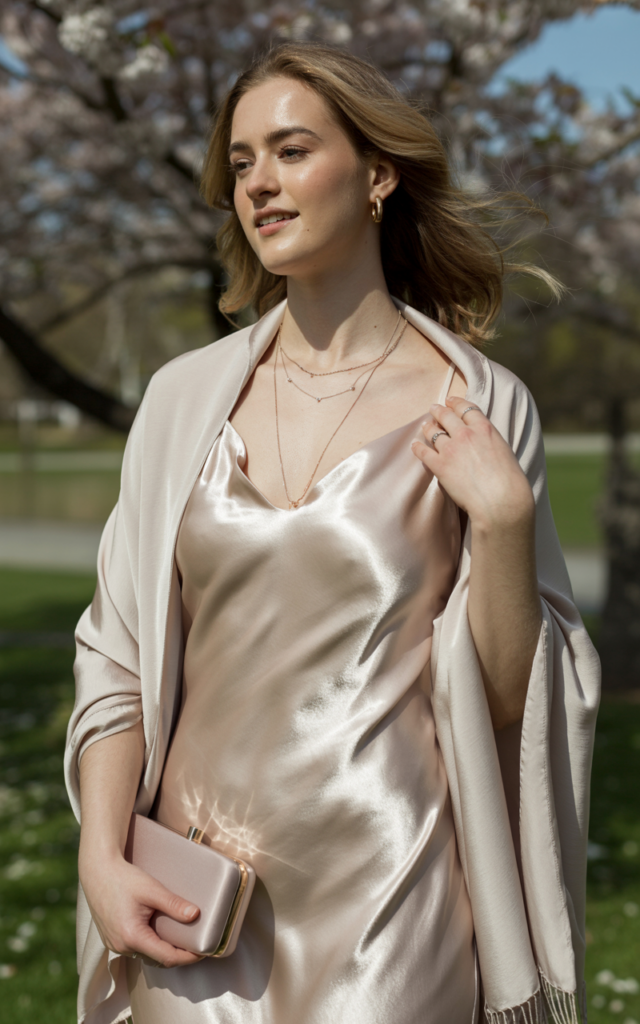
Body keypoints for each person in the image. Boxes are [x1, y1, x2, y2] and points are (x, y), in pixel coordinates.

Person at [65, 42, 600, 1024]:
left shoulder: (480, 407)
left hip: (393, 896)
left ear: (378, 175)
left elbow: (505, 703)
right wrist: (102, 854)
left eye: (291, 150)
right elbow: (117, 648)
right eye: (240, 163)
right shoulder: (182, 399)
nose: (259, 182)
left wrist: (506, 523)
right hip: (195, 893)